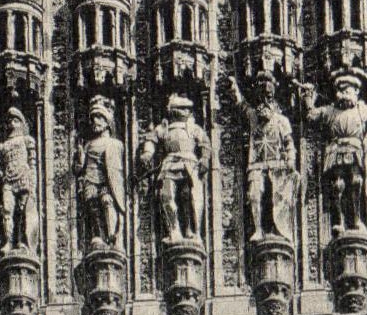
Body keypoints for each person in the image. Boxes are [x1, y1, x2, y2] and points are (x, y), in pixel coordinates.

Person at [298, 72, 367, 234]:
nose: (343, 95)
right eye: (341, 91)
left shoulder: (363, 110)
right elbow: (311, 116)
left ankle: (356, 219)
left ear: (356, 91)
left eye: (347, 90)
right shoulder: (331, 111)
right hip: (336, 151)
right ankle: (339, 220)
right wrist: (308, 97)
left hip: (356, 149)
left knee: (356, 181)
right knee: (338, 184)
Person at [229, 72, 298, 242]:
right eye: (260, 98)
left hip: (277, 164)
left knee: (277, 196)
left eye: (267, 98)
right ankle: (258, 229)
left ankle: (278, 229)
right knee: (254, 194)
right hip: (257, 163)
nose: (263, 103)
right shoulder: (253, 117)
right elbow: (241, 105)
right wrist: (234, 89)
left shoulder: (282, 120)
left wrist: (291, 159)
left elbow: (289, 142)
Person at [138, 94, 211, 244]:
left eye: (186, 109)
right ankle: (174, 230)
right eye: (181, 108)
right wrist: (147, 152)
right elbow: (151, 140)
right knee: (166, 195)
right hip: (170, 163)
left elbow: (205, 143)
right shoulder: (164, 128)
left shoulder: (193, 128)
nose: (185, 111)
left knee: (190, 196)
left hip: (190, 164)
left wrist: (204, 158)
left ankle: (194, 231)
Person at [74, 97, 127, 246]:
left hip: (106, 180)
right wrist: (80, 157)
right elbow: (79, 168)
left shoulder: (115, 144)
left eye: (99, 117)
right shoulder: (88, 145)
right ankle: (98, 235)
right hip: (90, 179)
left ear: (107, 121)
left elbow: (116, 169)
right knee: (93, 207)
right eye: (93, 118)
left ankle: (112, 235)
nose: (94, 122)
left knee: (107, 202)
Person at [0, 108, 39, 251]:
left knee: (22, 209)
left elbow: (32, 163)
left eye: (16, 121)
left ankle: (22, 240)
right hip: (8, 180)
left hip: (23, 178)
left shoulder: (26, 140)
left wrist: (33, 182)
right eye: (9, 121)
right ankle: (9, 241)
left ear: (22, 123)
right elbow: (0, 165)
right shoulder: (2, 146)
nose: (12, 124)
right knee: (7, 209)